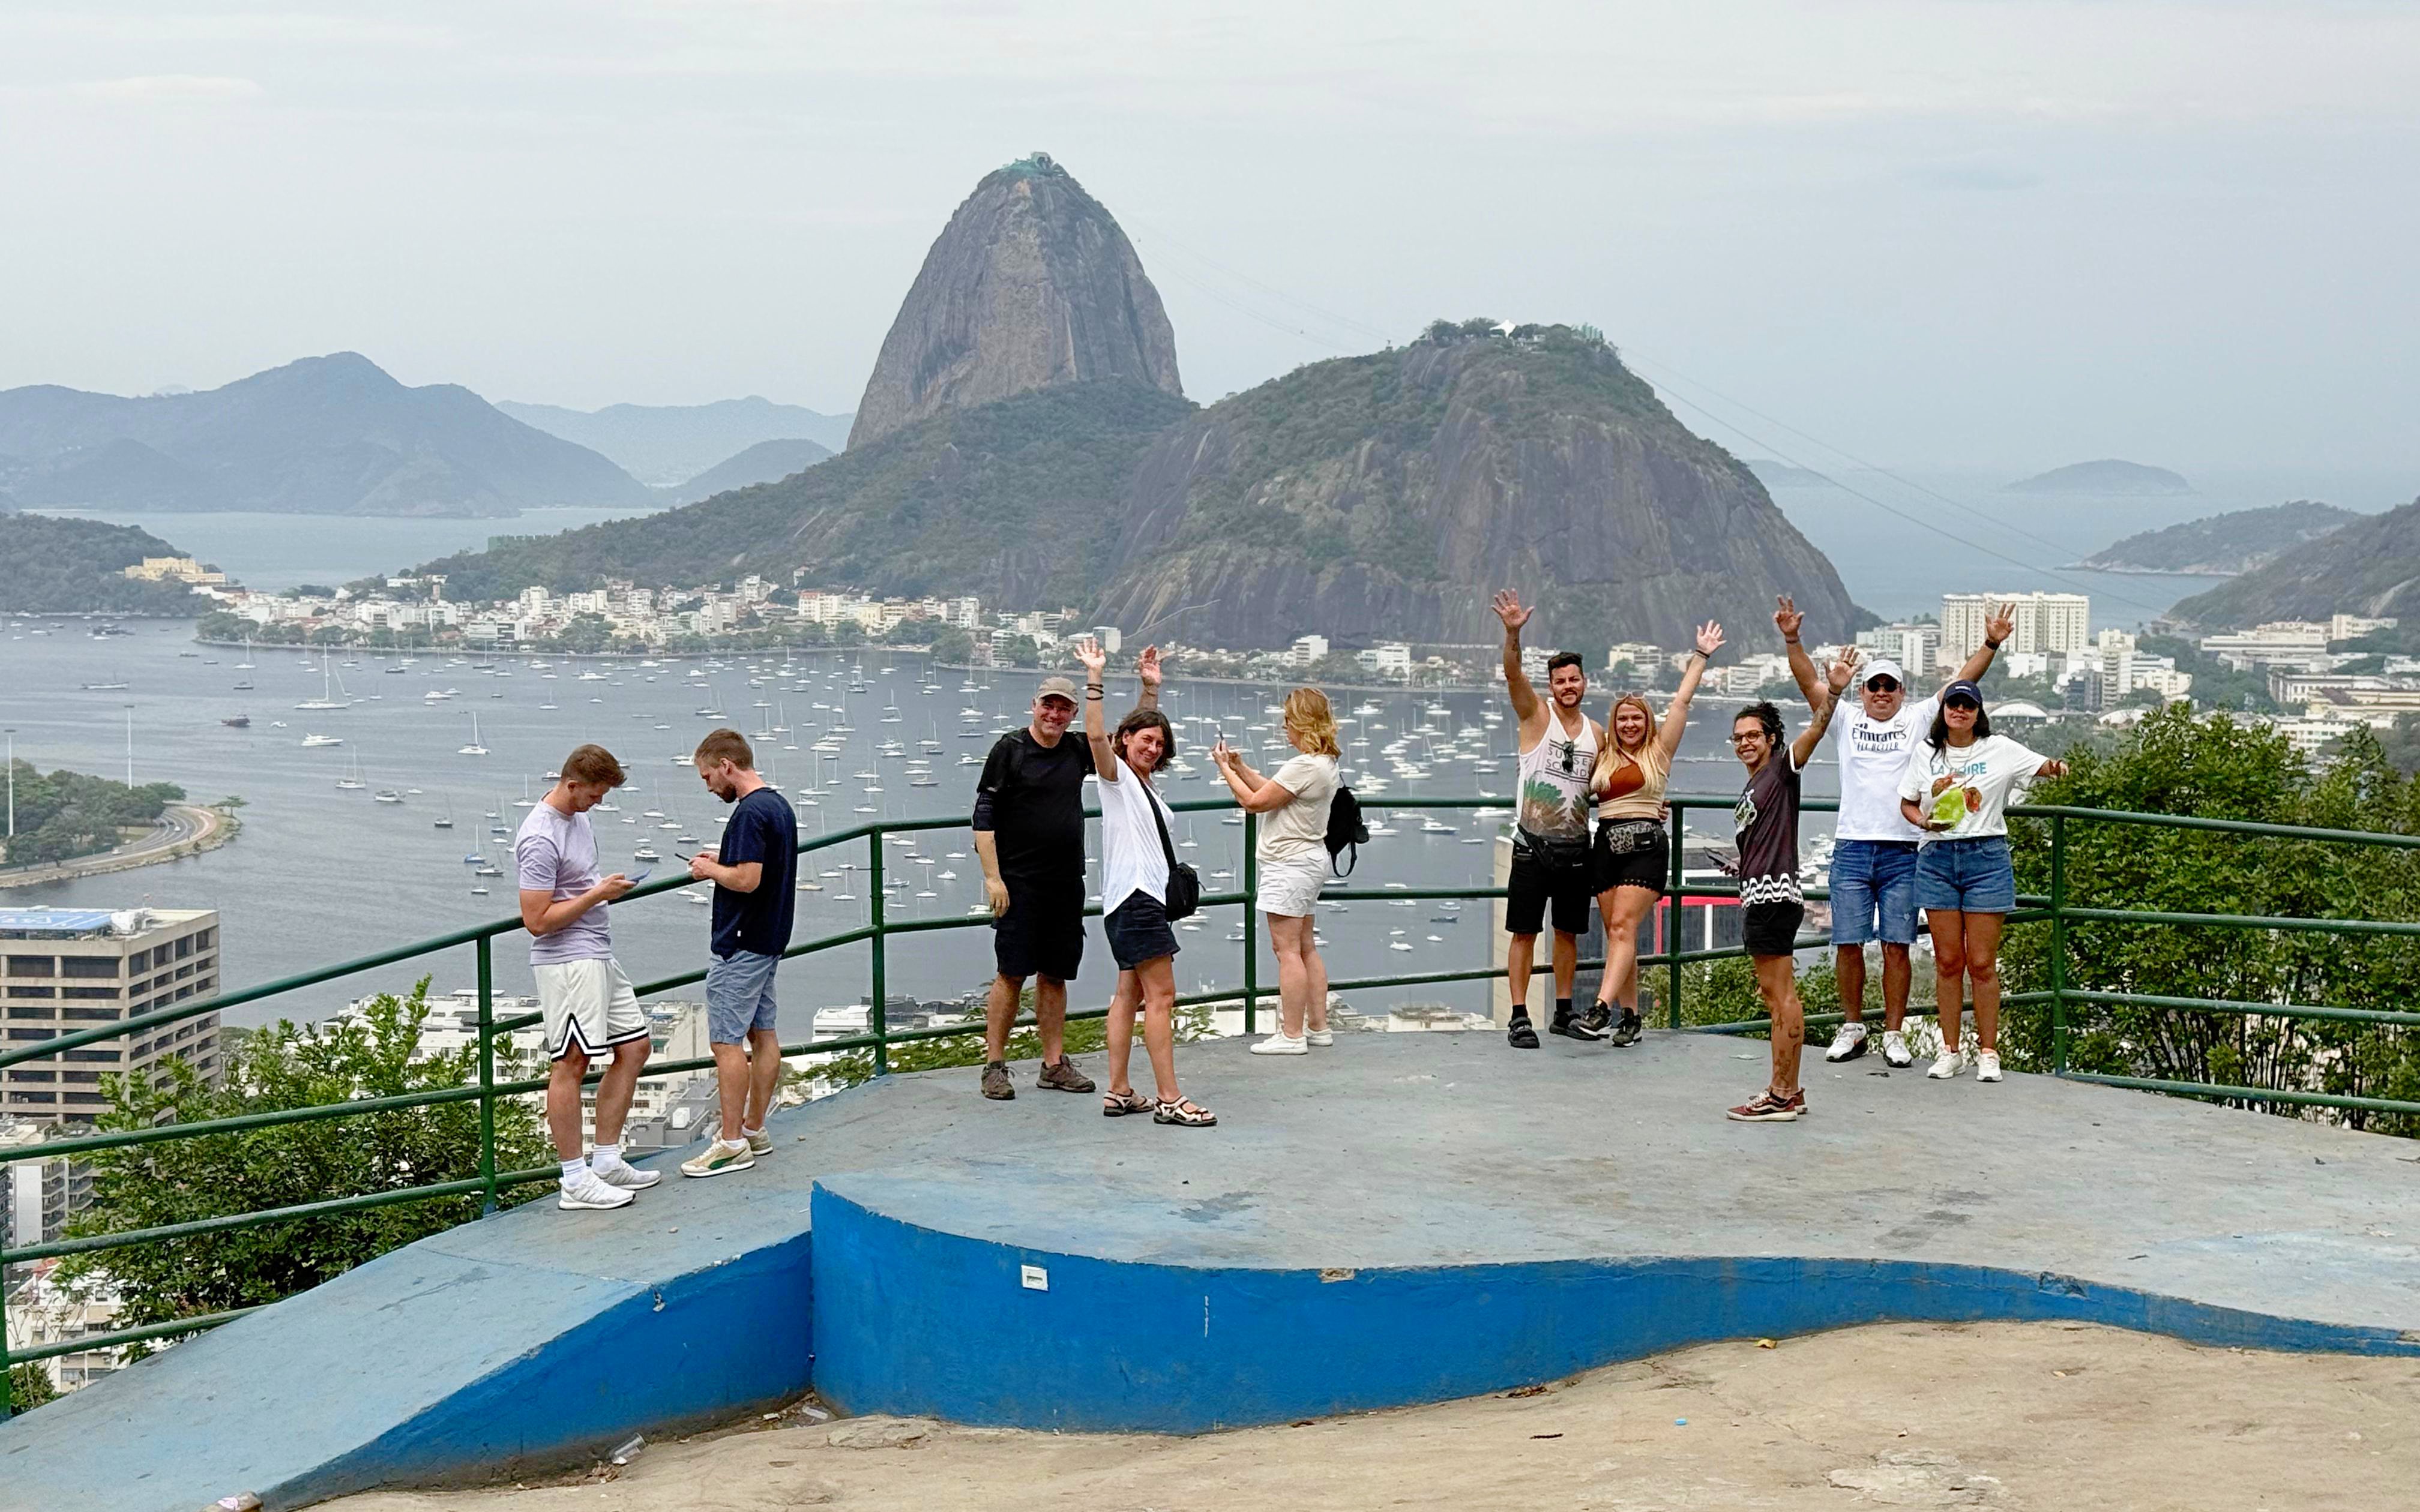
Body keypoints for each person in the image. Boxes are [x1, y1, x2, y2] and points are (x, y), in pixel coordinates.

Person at [1782, 596, 2013, 1069]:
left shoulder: (1917, 721)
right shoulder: (1844, 717)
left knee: (1896, 944)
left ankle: (1893, 1031)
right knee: (1847, 941)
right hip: (1851, 846)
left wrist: (1991, 642)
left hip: (1905, 849)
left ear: (1902, 693)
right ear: (1862, 692)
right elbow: (1809, 682)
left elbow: (1963, 682)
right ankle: (1852, 1025)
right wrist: (1792, 639)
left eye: (1890, 687)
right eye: (1874, 687)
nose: (1882, 693)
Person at [970, 649, 1159, 1102]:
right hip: (1019, 881)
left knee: (1055, 975)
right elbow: (983, 815)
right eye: (1047, 705)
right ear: (1034, 707)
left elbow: (1130, 740)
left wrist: (1149, 687)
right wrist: (994, 878)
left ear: (1074, 713)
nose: (1054, 714)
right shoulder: (1010, 750)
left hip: (1065, 881)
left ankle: (1053, 1063)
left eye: (1063, 707)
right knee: (1011, 973)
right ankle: (994, 1066)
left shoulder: (1078, 750)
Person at [1075, 634, 1215, 1127]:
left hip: (1127, 903)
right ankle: (1170, 1098)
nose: (1153, 748)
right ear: (1124, 742)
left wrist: (1150, 690)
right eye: (1145, 741)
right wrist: (1095, 678)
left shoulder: (1140, 784)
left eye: (1160, 743)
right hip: (1138, 902)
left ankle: (1118, 1091)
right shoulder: (1115, 779)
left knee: (1128, 996)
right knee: (1162, 998)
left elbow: (1137, 727)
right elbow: (1098, 738)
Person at [1898, 680, 2068, 1083]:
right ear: (1944, 712)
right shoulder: (1926, 752)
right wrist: (1924, 821)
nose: (1959, 711)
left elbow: (2046, 768)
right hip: (1938, 855)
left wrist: (2064, 768)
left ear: (1978, 712)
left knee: (1982, 963)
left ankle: (1988, 1051)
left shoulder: (2001, 749)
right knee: (1948, 962)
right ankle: (1950, 1049)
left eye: (1967, 705)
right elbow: (1907, 801)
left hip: (1986, 856)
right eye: (1953, 704)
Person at [514, 743, 655, 1210]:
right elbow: (536, 920)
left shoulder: (578, 819)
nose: (598, 803)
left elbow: (575, 890)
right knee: (571, 1063)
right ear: (571, 784)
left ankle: (607, 1158)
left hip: (597, 952)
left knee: (634, 1047)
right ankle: (574, 1179)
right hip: (567, 960)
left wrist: (602, 893)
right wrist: (598, 894)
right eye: (594, 795)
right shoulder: (539, 837)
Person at [1583, 622, 1723, 1045]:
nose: (1629, 725)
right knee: (1618, 935)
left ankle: (1600, 1010)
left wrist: (1701, 656)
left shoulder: (1659, 752)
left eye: (1637, 718)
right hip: (1606, 844)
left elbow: (1681, 702)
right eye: (1623, 718)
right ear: (1614, 723)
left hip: (1645, 845)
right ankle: (1631, 1017)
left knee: (1624, 927)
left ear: (1647, 723)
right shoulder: (1602, 753)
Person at [1723, 661, 1848, 1124]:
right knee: (1776, 994)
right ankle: (1788, 1090)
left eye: (1752, 735)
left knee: (1781, 997)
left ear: (1772, 738)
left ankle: (1781, 1092)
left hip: (1773, 899)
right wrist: (1743, 863)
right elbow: (1764, 838)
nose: (1744, 743)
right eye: (1737, 737)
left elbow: (1815, 733)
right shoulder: (1758, 783)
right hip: (1762, 892)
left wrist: (1832, 693)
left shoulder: (1780, 770)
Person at [678, 729, 798, 1178]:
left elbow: (748, 880)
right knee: (764, 1034)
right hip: (770, 938)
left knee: (726, 1042)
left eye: (709, 776)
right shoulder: (778, 805)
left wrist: (709, 869)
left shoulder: (749, 814)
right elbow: (760, 867)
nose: (709, 785)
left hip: (741, 942)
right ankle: (754, 1129)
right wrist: (723, 857)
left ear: (727, 766)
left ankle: (730, 1143)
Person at [1491, 588, 1601, 1049]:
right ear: (1551, 686)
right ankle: (1519, 1015)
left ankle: (1562, 1012)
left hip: (1576, 848)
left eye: (1574, 680)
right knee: (1523, 932)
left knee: (1567, 934)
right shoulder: (1536, 716)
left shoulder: (1598, 733)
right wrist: (1513, 634)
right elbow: (1512, 673)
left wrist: (1651, 802)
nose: (1568, 687)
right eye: (1560, 682)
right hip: (1532, 845)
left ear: (1584, 681)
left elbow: (1612, 782)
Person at [1212, 687, 1342, 1057]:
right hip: (1309, 859)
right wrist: (1240, 767)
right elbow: (1273, 791)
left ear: (1301, 723)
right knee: (1305, 948)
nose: (1285, 728)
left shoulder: (1304, 766)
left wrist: (1224, 769)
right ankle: (1318, 1027)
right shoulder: (1324, 763)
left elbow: (1254, 802)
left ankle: (1291, 1034)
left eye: (1288, 721)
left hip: (1289, 863)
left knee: (1285, 950)